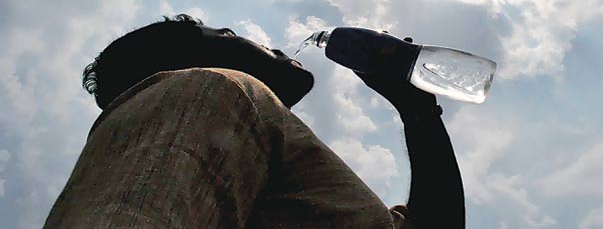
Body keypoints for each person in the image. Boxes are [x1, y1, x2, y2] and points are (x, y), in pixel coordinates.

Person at [44, 14, 465, 228]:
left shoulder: (276, 164)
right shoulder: (204, 88)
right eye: (226, 33)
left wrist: (418, 112)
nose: (268, 44)